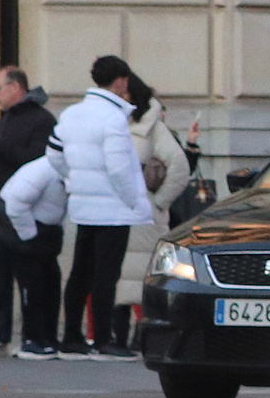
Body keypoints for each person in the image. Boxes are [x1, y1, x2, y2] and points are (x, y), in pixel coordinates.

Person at [53, 55, 151, 358]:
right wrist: (134, 201)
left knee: (80, 272)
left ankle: (72, 335)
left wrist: (75, 180)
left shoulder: (71, 114)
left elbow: (54, 154)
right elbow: (120, 168)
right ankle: (104, 339)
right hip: (113, 208)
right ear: (120, 81)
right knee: (107, 276)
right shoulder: (113, 119)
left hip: (83, 206)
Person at [0, 64, 57, 357]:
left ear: (16, 88)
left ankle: (33, 337)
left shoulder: (41, 120)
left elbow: (39, 160)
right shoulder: (3, 121)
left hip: (25, 212)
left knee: (30, 279)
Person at [112, 72, 193, 349]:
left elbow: (180, 167)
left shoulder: (153, 129)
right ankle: (115, 340)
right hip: (116, 214)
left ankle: (137, 339)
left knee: (139, 279)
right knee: (117, 278)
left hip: (143, 219)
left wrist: (159, 202)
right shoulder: (115, 123)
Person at [0, 150, 68, 358]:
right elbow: (16, 203)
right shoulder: (42, 170)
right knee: (32, 285)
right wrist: (30, 236)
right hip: (24, 228)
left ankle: (48, 336)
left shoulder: (66, 170)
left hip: (44, 229)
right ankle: (32, 338)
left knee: (52, 282)